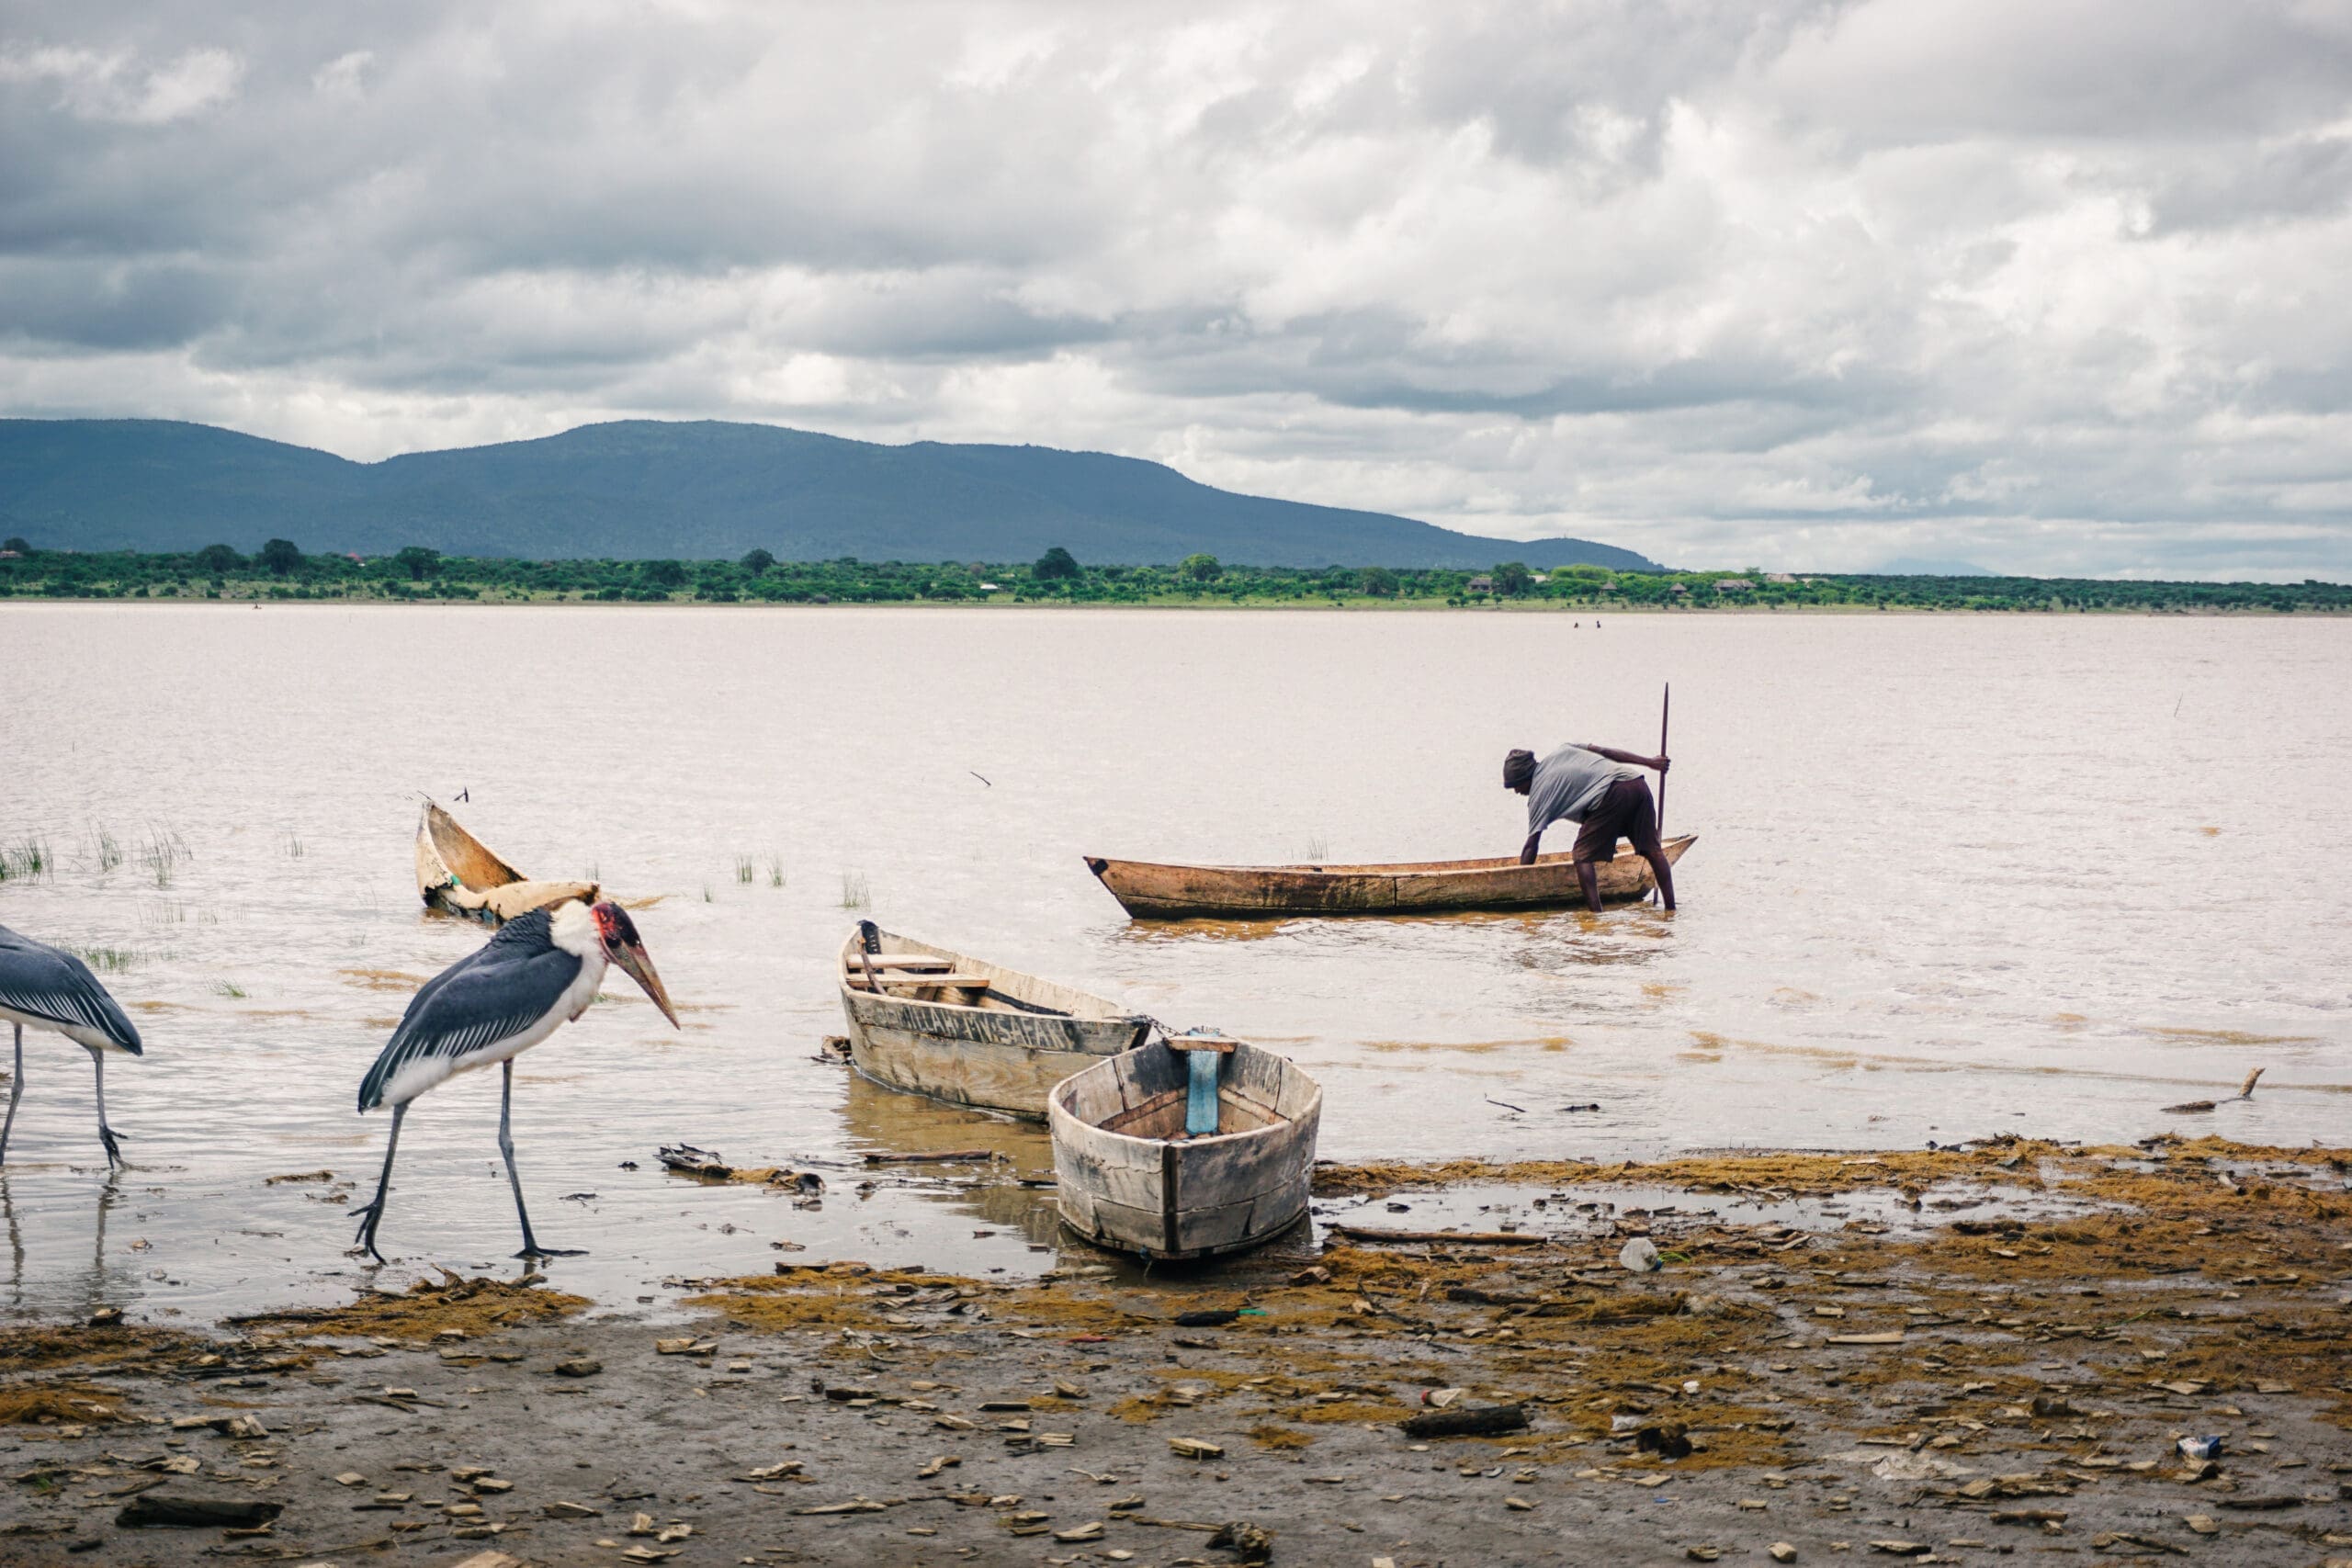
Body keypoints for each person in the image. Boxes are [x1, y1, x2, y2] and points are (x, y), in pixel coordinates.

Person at [1503, 741, 1675, 911]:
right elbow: (1605, 751)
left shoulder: (1538, 795)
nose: (1516, 791)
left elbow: (1531, 845)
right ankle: (1671, 910)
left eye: (1516, 786)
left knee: (1581, 855)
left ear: (1525, 777)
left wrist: (1521, 879)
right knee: (1653, 850)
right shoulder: (1564, 749)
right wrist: (1650, 762)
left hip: (1612, 795)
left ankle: (1595, 916)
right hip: (1636, 783)